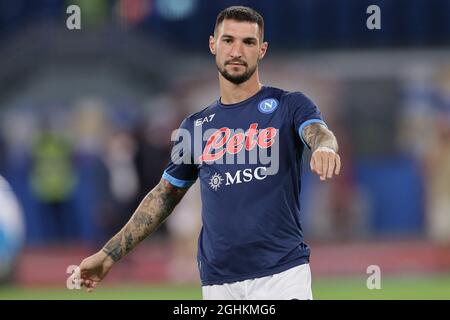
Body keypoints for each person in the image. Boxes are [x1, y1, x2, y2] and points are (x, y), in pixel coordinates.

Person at [77, 6, 341, 300]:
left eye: (248, 42)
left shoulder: (289, 105)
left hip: (281, 276)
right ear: (213, 44)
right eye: (228, 40)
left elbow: (317, 130)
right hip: (219, 282)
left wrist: (325, 146)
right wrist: (108, 254)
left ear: (262, 50)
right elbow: (164, 196)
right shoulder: (194, 127)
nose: (237, 50)